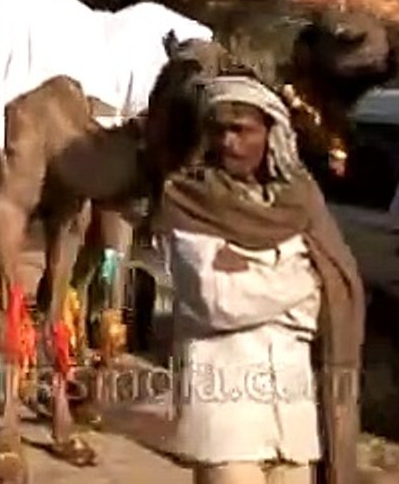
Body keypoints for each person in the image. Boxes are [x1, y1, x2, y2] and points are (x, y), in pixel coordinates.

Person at [156, 75, 364, 484]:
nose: (229, 142)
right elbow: (217, 302)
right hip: (224, 407)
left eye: (241, 130)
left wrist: (255, 274)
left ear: (270, 133)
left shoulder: (300, 199)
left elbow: (333, 292)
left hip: (294, 406)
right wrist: (300, 275)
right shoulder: (188, 198)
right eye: (219, 131)